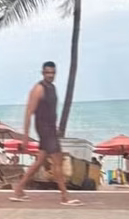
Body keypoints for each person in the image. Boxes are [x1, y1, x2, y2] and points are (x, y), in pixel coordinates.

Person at [12, 61, 82, 205]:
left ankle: (19, 189)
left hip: (50, 129)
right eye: (47, 73)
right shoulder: (38, 89)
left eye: (52, 73)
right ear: (42, 73)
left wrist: (55, 126)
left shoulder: (53, 88)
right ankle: (65, 196)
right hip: (44, 129)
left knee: (40, 161)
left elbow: (50, 110)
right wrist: (25, 136)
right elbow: (28, 112)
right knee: (57, 161)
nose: (50, 75)